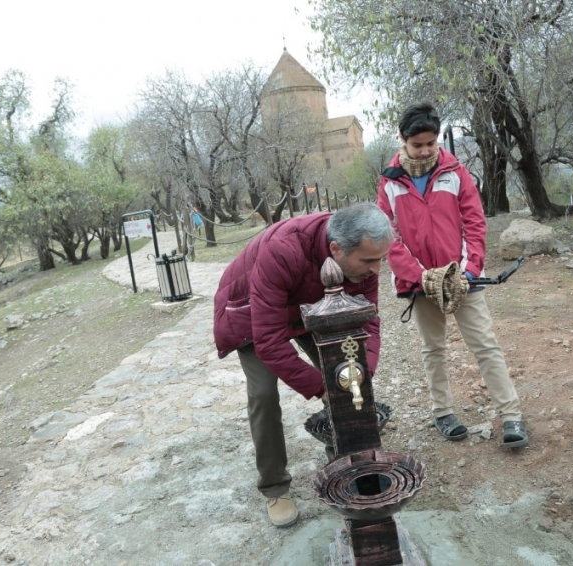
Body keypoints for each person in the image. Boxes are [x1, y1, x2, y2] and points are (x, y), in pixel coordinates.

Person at [213, 202, 393, 528]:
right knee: (264, 395)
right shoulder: (283, 251)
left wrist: (360, 376)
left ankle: (345, 462)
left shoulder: (361, 260)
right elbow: (268, 342)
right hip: (253, 313)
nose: (377, 269)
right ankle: (274, 487)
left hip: (312, 307)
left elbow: (368, 322)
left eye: (381, 258)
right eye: (369, 261)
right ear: (336, 249)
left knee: (348, 380)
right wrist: (323, 388)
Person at [376, 102, 528, 449]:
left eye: (432, 143)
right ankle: (443, 412)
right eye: (418, 145)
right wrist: (420, 276)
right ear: (402, 140)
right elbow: (388, 236)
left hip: (463, 279)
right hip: (419, 284)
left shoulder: (455, 172)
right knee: (433, 349)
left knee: (485, 345)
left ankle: (511, 416)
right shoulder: (389, 182)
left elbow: (475, 223)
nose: (426, 150)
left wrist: (470, 270)